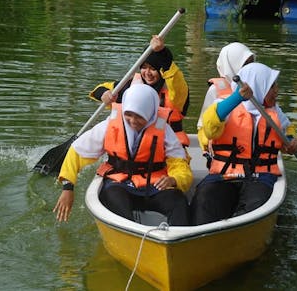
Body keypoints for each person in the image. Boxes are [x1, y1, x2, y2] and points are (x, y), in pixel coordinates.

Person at [53, 84, 193, 226]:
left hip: (153, 186)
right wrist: (68, 188)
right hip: (119, 185)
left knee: (178, 201)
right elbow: (77, 151)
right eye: (128, 114)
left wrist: (174, 180)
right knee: (114, 199)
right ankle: (131, 236)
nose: (132, 121)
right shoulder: (109, 126)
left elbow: (180, 165)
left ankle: (178, 239)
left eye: (139, 116)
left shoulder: (164, 130)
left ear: (150, 113)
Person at [190, 63, 297, 225]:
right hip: (225, 174)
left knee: (256, 204)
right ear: (258, 87)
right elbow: (209, 128)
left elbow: (288, 132)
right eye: (272, 86)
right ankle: (199, 236)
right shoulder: (225, 105)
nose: (276, 90)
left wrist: (292, 142)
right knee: (204, 198)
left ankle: (237, 231)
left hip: (261, 177)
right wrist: (237, 98)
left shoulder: (275, 112)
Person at [89, 35, 190, 147]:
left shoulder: (175, 90)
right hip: (136, 149)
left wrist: (162, 52)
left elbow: (173, 73)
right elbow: (98, 89)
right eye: (144, 67)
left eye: (153, 69)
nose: (147, 73)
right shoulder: (130, 87)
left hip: (169, 149)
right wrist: (104, 94)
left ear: (161, 70)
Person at [197, 42, 255, 154]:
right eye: (245, 64)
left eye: (251, 63)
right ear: (232, 65)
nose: (250, 68)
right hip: (225, 152)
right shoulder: (215, 90)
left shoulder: (257, 87)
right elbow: (204, 127)